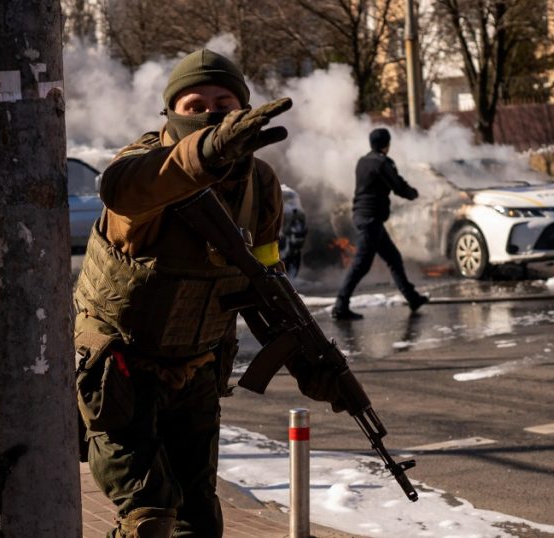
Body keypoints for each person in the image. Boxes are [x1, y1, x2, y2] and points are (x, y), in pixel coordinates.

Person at [72, 49, 339, 538]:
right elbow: (121, 190)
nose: (211, 113)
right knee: (150, 518)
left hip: (195, 370)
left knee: (199, 521)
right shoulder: (142, 167)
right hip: (121, 373)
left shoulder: (260, 184)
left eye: (225, 101)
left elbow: (266, 282)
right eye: (195, 104)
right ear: (171, 111)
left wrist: (312, 365)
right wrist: (206, 153)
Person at [332, 128, 428, 320]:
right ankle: (340, 306)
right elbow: (399, 186)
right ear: (386, 144)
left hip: (364, 216)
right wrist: (414, 193)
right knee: (361, 264)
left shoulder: (363, 161)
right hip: (371, 219)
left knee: (393, 258)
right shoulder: (383, 163)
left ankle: (412, 297)